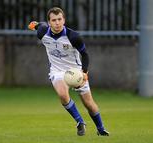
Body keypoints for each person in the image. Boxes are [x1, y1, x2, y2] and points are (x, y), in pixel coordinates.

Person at [28, 7, 109, 136]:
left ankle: (101, 129)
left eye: (60, 19)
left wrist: (85, 72)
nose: (57, 23)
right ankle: (80, 122)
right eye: (54, 20)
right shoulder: (43, 32)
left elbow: (85, 54)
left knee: (89, 104)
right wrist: (35, 25)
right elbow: (40, 26)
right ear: (49, 22)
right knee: (62, 94)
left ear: (64, 20)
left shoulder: (73, 36)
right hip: (57, 71)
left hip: (76, 71)